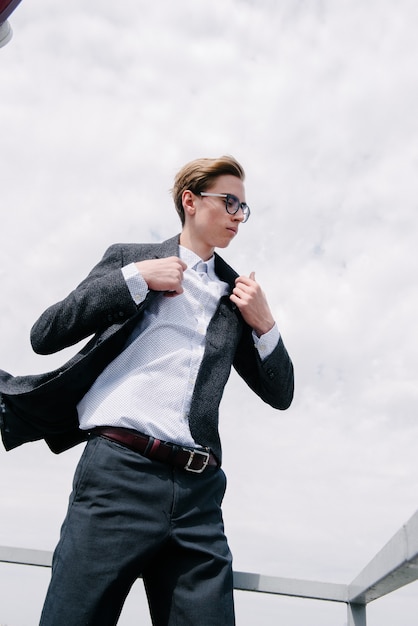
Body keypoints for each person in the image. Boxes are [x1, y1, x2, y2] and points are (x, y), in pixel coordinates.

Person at [0, 155, 294, 625]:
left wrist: (265, 325)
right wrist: (134, 281)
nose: (239, 216)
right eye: (230, 202)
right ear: (191, 201)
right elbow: (45, 334)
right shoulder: (129, 259)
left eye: (245, 208)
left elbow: (281, 394)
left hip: (200, 493)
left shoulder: (237, 298)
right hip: (118, 475)